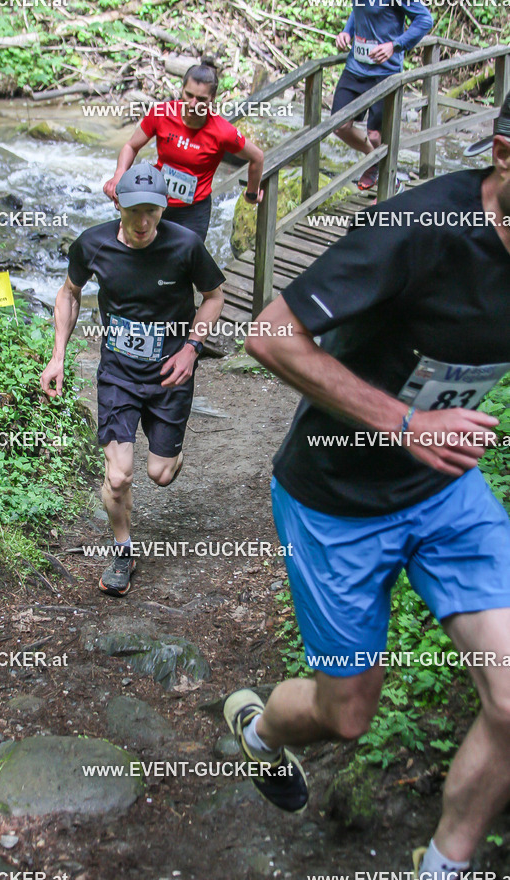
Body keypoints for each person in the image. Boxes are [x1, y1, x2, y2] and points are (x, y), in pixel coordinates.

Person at [224, 92, 510, 879]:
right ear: (502, 155)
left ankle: (441, 867)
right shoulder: (417, 227)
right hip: (336, 501)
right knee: (344, 714)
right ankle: (259, 731)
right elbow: (269, 333)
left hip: (448, 495)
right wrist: (406, 424)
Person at [40, 162, 225, 596]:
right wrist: (57, 356)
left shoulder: (186, 245)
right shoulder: (93, 244)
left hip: (170, 374)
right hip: (119, 374)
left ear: (164, 209)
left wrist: (192, 348)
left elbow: (214, 296)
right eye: (134, 211)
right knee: (119, 477)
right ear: (117, 204)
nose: (143, 222)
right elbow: (69, 293)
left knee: (160, 473)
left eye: (153, 211)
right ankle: (123, 551)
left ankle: (170, 454)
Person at [103, 59, 265, 240]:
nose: (193, 104)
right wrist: (119, 174)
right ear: (182, 90)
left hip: (193, 212)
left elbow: (257, 157)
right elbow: (131, 146)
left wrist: (252, 193)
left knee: (187, 256)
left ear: (212, 98)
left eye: (201, 99)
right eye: (189, 95)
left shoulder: (223, 131)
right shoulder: (161, 114)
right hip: (155, 201)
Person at [333, 0, 433, 191]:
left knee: (376, 135)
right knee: (339, 125)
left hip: (384, 72)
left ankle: (390, 184)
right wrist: (346, 32)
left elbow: (424, 20)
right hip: (356, 67)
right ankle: (375, 162)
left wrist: (395, 45)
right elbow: (358, 10)